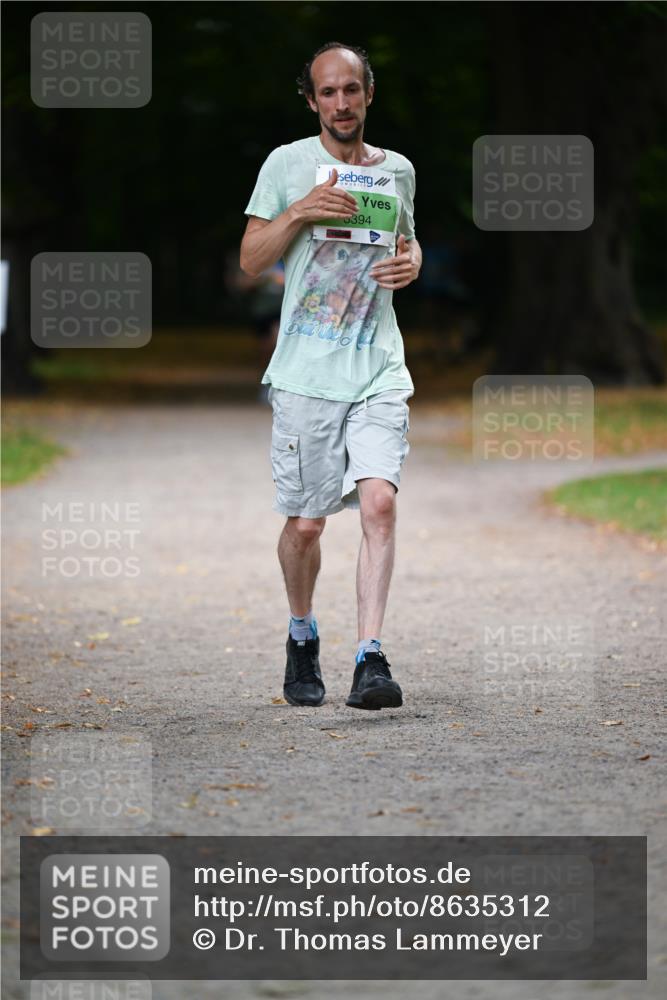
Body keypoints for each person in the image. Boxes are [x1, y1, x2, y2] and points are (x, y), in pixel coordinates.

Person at [240, 41, 421, 710]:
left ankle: (370, 656)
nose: (341, 103)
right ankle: (301, 633)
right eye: (327, 93)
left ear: (368, 93)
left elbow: (407, 238)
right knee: (308, 526)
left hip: (378, 362)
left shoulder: (396, 169)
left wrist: (414, 262)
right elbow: (252, 259)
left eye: (351, 89)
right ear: (311, 100)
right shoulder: (287, 165)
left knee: (378, 502)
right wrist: (300, 212)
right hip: (306, 372)